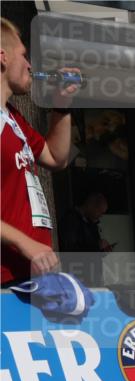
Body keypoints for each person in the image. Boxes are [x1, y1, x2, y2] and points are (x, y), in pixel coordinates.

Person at [1, 17, 78, 286]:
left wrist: (62, 104)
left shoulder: (13, 119)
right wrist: (26, 244)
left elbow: (56, 157)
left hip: (27, 276)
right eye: (24, 55)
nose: (30, 65)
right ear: (2, 57)